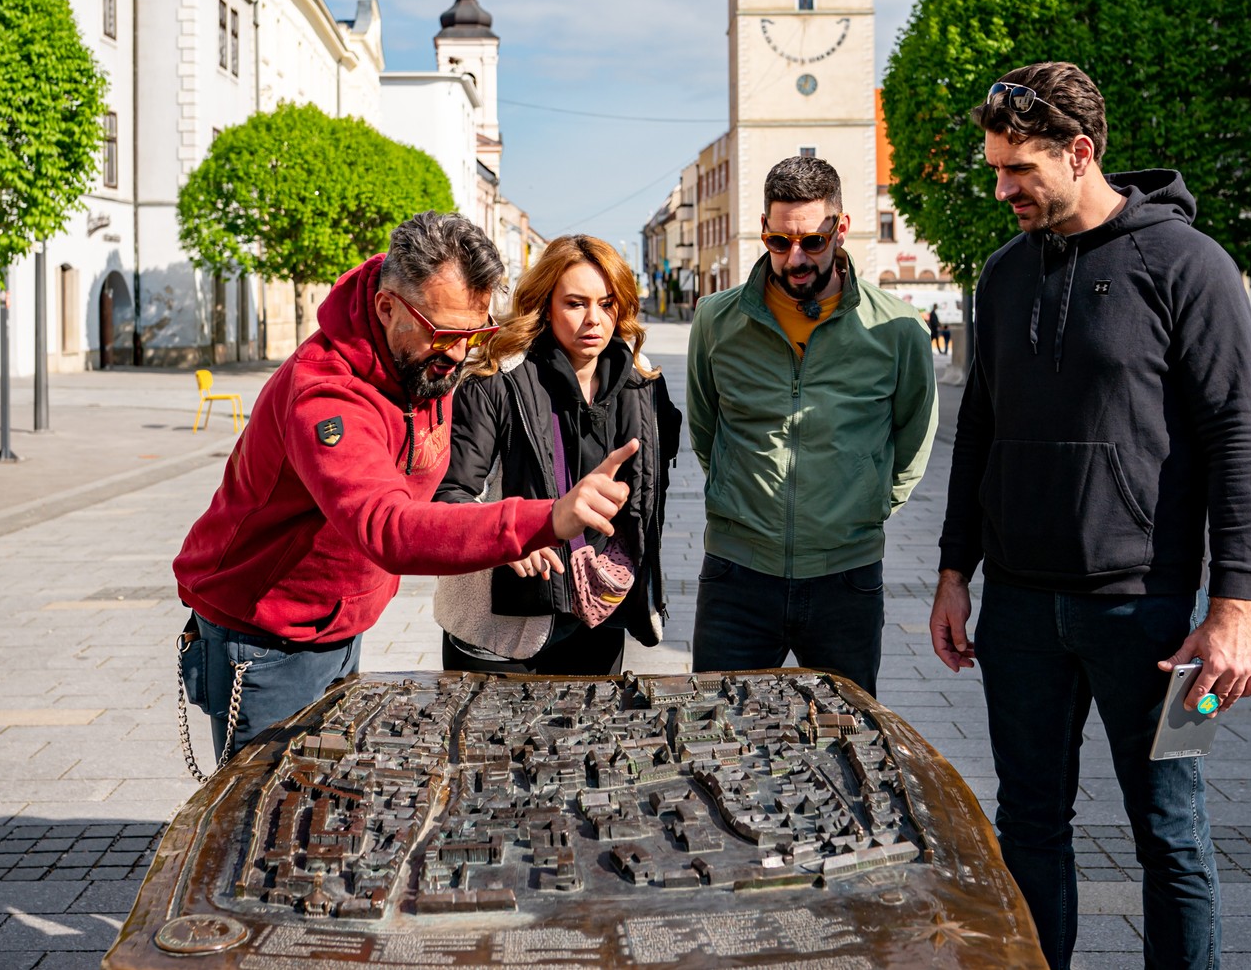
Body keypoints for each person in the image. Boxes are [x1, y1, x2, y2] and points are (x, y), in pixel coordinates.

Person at [928, 61, 1251, 970]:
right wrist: (955, 571)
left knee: (1172, 830)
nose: (1002, 189)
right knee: (1028, 823)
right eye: (996, 169)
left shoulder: (1189, 266)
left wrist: (1233, 608)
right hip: (1022, 614)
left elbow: (1244, 439)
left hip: (1155, 617)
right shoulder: (1002, 276)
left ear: (1080, 154)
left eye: (1020, 172)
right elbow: (979, 430)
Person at [173, 212, 636, 758]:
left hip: (337, 622)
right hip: (265, 635)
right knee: (267, 818)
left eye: (474, 332)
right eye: (445, 334)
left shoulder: (420, 359)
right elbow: (386, 526)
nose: (460, 354)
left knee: (318, 800)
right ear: (387, 306)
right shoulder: (325, 393)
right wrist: (545, 519)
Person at [685, 155, 938, 695]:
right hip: (737, 576)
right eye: (779, 243)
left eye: (812, 243)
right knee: (716, 734)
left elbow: (913, 437)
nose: (794, 258)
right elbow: (707, 429)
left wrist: (860, 508)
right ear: (764, 232)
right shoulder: (716, 320)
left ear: (840, 229)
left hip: (846, 580)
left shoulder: (896, 330)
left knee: (848, 742)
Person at [434, 235, 682, 674]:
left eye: (607, 303)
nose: (594, 320)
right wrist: (504, 535)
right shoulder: (496, 380)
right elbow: (449, 493)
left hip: (599, 612)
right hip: (503, 626)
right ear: (545, 304)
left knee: (590, 741)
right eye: (575, 303)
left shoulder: (643, 387)